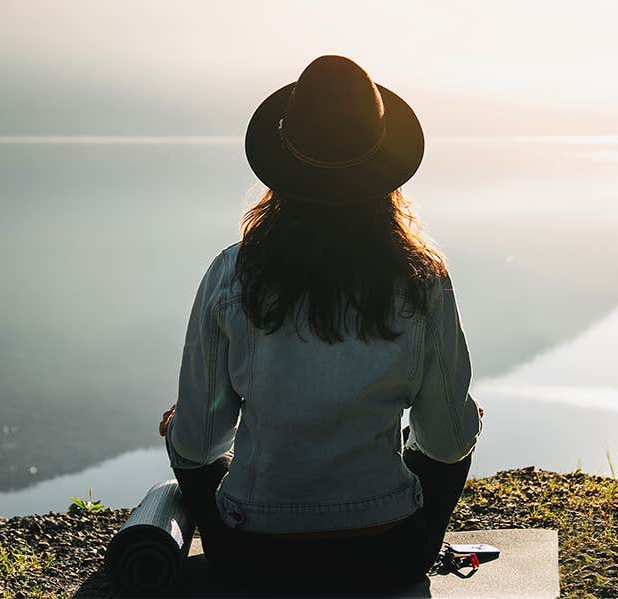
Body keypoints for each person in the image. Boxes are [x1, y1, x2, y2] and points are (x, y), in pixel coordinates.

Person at [159, 55, 482, 594]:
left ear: (282, 166)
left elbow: (199, 443)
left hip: (254, 556)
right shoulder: (422, 280)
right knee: (459, 423)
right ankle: (424, 540)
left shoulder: (232, 274)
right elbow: (447, 441)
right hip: (387, 553)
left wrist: (182, 428)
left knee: (184, 439)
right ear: (382, 167)